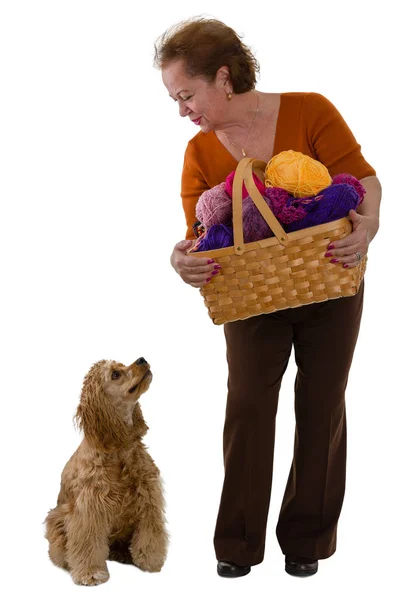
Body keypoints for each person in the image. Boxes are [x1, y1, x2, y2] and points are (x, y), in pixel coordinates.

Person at [154, 17, 381, 578]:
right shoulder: (199, 152)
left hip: (328, 277)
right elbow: (200, 235)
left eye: (187, 94)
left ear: (223, 78)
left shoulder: (309, 111)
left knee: (322, 402)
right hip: (253, 296)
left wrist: (367, 226)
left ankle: (306, 541)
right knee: (249, 405)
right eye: (175, 99)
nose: (182, 109)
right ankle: (236, 545)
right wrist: (180, 259)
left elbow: (363, 180)